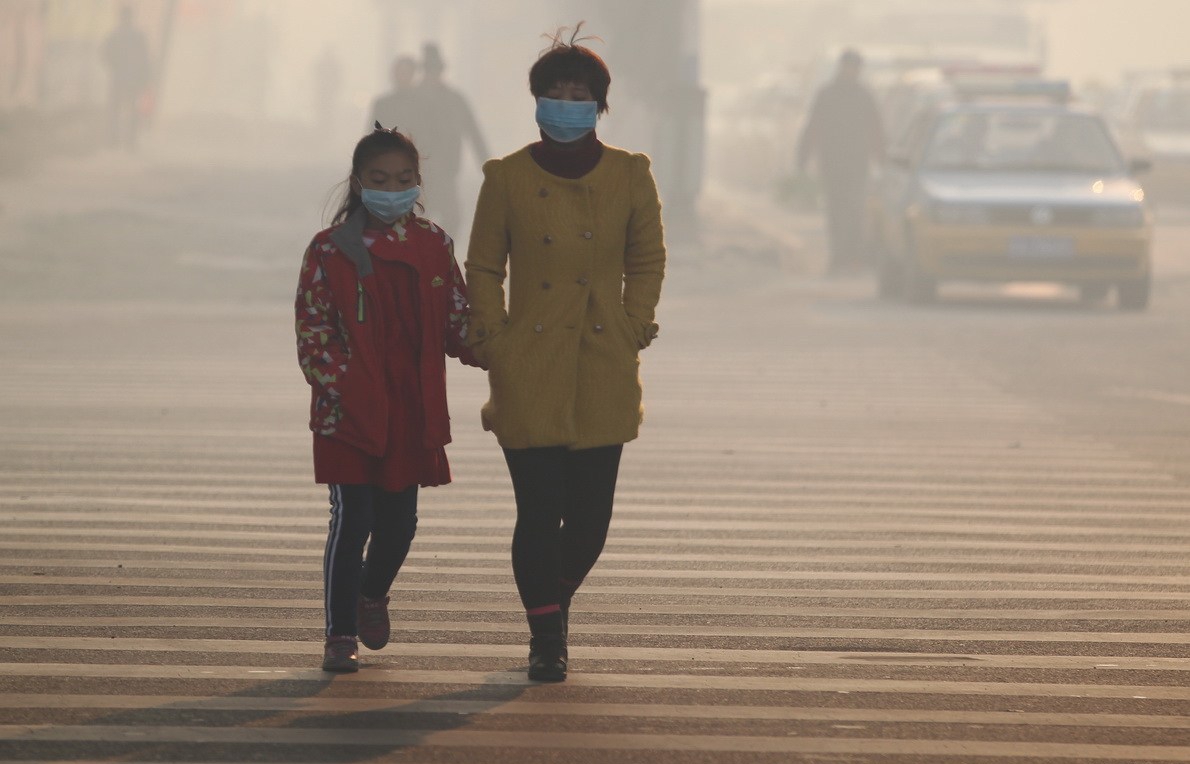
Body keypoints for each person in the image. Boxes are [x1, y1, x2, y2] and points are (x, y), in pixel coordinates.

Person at [463, 30, 666, 683]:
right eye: (555, 92)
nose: (566, 104)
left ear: (600, 105)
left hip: (604, 361)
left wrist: (636, 322)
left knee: (590, 520)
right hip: (529, 364)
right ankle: (546, 637)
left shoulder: (631, 174)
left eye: (579, 95)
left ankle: (553, 599)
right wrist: (494, 339)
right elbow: (485, 266)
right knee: (537, 509)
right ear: (537, 100)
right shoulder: (507, 177)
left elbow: (647, 258)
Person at [295, 125, 481, 673]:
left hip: (411, 408)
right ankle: (339, 633)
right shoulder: (330, 249)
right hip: (348, 409)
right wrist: (346, 385)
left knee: (400, 523)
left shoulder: (434, 244)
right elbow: (313, 333)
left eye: (403, 179)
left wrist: (502, 348)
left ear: (418, 183)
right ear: (358, 183)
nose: (391, 188)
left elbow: (458, 322)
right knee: (352, 517)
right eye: (379, 179)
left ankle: (373, 593)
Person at [796, 49, 885, 274]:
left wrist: (882, 160)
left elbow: (876, 130)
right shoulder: (826, 95)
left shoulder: (864, 96)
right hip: (832, 162)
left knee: (855, 210)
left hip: (857, 163)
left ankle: (853, 256)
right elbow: (813, 126)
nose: (851, 71)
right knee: (835, 210)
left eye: (855, 68)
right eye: (848, 67)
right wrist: (802, 158)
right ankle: (838, 256)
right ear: (841, 67)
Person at [404, 43, 490, 234]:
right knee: (414, 219)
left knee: (452, 218)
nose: (432, 75)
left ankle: (438, 254)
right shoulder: (411, 99)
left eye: (435, 70)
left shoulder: (455, 99)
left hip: (446, 170)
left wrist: (487, 166)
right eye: (429, 70)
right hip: (416, 171)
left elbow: (474, 133)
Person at [101, 5, 152, 151]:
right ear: (131, 17)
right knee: (132, 110)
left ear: (122, 18)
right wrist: (145, 78)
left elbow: (104, 54)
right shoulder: (138, 36)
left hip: (118, 78)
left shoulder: (115, 35)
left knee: (114, 110)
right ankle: (130, 141)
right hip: (132, 79)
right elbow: (145, 59)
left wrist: (113, 66)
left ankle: (113, 141)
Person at [368, 55, 418, 132]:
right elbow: (373, 134)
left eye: (406, 73)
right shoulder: (382, 105)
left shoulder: (422, 105)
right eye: (400, 72)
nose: (402, 77)